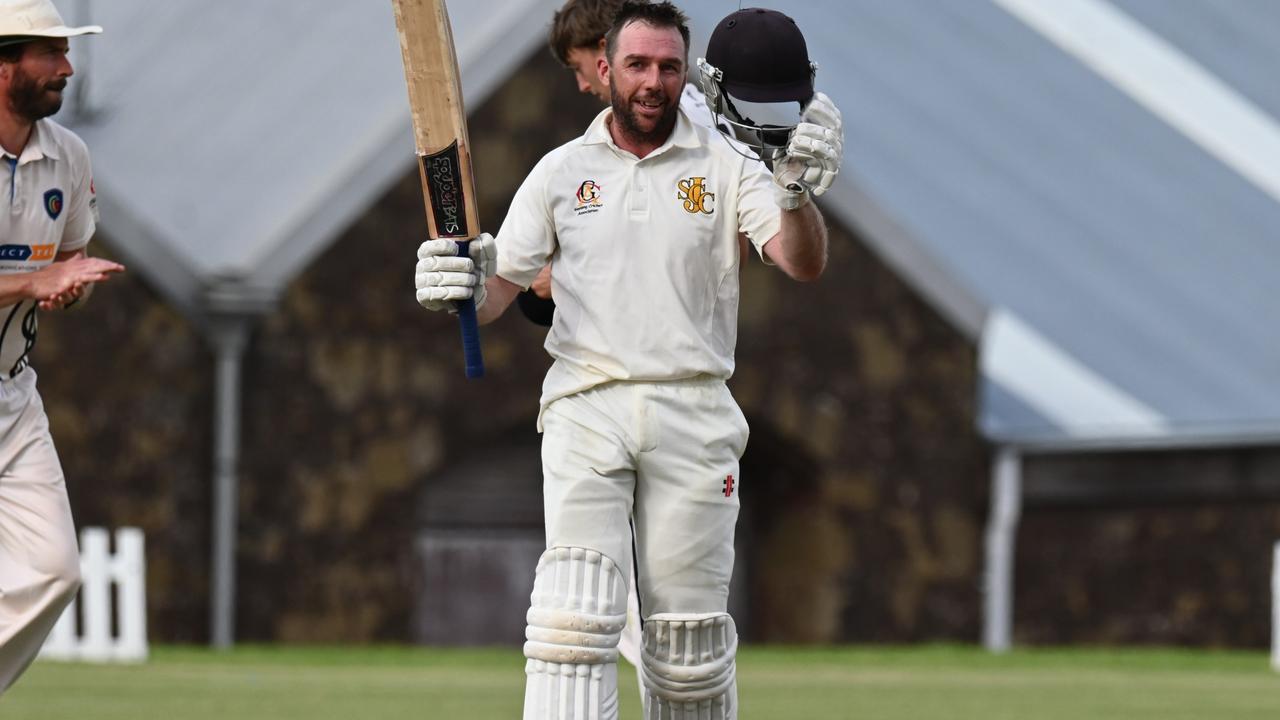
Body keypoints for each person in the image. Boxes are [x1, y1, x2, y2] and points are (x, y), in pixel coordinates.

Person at [415, 1, 841, 717]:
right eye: (637, 65)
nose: (652, 82)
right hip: (587, 404)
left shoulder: (730, 167)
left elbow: (801, 264)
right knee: (572, 620)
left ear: (688, 76)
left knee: (688, 648)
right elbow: (497, 292)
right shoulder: (559, 173)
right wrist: (453, 283)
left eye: (669, 67)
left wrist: (794, 192)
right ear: (606, 70)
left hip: (694, 410)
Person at [0, 0, 124, 694]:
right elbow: (40, 272)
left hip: (13, 393)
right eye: (51, 54)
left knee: (55, 570)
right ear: (4, 64)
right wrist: (35, 280)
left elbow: (72, 261)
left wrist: (69, 288)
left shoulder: (68, 157)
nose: (67, 68)